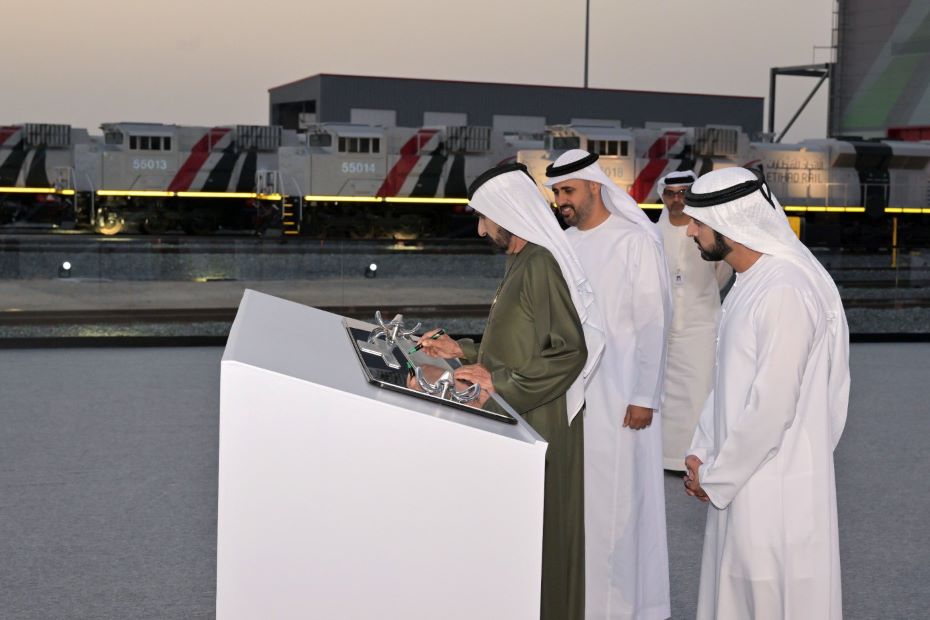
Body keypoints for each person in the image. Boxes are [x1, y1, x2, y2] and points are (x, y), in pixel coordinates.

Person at [415, 162, 605, 620]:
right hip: (519, 410)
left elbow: (567, 352)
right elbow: (518, 343)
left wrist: (499, 384)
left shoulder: (539, 263)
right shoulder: (521, 261)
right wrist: (458, 349)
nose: (482, 231)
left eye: (484, 218)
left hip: (537, 418)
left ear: (506, 211)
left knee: (543, 535)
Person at [682, 167, 850, 619]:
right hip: (739, 475)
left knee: (770, 598)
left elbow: (771, 407)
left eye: (698, 221)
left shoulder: (785, 289)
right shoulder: (751, 281)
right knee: (738, 593)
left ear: (730, 221)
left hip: (775, 484)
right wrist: (701, 451)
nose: (691, 231)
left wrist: (715, 475)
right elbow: (729, 382)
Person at [545, 149, 671, 620]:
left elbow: (653, 323)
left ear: (594, 187)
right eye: (556, 192)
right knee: (587, 504)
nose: (561, 200)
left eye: (568, 190)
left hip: (622, 396)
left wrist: (644, 396)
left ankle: (625, 608)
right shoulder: (566, 244)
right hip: (575, 397)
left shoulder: (633, 241)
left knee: (620, 504)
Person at [654, 170, 733, 471]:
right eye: (670, 193)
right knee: (662, 394)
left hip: (700, 328)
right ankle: (664, 458)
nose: (677, 199)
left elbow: (721, 273)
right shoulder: (651, 233)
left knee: (700, 391)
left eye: (683, 193)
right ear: (662, 196)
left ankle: (695, 456)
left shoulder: (706, 231)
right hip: (662, 330)